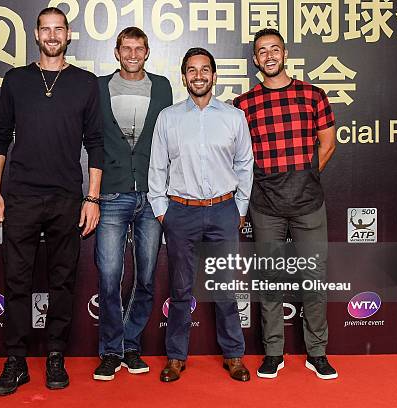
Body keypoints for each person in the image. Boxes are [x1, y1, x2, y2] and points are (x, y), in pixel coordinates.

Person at [0, 7, 103, 395]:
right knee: (16, 281)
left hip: (67, 198)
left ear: (69, 35)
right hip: (20, 197)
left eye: (59, 30)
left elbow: (96, 145)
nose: (52, 36)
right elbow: (0, 136)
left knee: (62, 282)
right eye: (45, 29)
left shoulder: (85, 83)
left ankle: (56, 354)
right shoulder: (16, 80)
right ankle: (16, 360)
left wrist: (92, 197)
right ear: (36, 35)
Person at [233, 28, 337, 380]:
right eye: (262, 51)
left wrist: (303, 177)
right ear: (255, 60)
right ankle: (273, 352)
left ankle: (317, 353)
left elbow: (327, 144)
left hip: (308, 203)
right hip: (265, 206)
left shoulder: (312, 95)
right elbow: (240, 157)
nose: (269, 55)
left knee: (313, 279)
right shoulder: (243, 104)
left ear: (286, 53)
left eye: (274, 49)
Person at [148, 47, 254, 383]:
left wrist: (239, 208)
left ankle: (234, 356)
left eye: (204, 70)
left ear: (214, 75)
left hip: (224, 211)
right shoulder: (169, 118)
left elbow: (244, 165)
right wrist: (164, 212)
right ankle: (176, 357)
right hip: (181, 212)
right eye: (191, 70)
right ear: (184, 77)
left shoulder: (234, 117)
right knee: (180, 290)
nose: (198, 76)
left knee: (225, 288)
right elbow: (157, 167)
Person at [93, 27, 173, 381]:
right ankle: (110, 350)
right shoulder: (97, 87)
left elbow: (172, 136)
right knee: (109, 277)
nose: (132, 54)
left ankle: (131, 345)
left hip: (152, 196)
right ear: (116, 52)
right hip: (110, 195)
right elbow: (90, 138)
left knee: (145, 278)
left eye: (139, 48)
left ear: (147, 52)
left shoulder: (163, 86)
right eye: (126, 48)